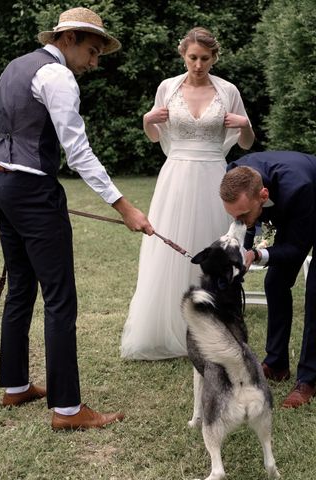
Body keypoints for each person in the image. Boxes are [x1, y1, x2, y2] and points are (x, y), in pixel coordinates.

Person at [0, 7, 154, 430]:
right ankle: (68, 410)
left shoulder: (15, 68)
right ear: (67, 39)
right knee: (59, 298)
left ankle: (15, 386)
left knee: (20, 288)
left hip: (1, 188)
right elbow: (79, 151)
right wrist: (123, 205)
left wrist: (7, 171)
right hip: (32, 193)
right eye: (91, 51)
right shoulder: (58, 77)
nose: (94, 63)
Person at [120, 27, 255, 360]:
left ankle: (213, 329)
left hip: (213, 175)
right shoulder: (168, 87)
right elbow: (155, 136)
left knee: (212, 249)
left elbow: (246, 142)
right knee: (168, 253)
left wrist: (245, 124)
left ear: (214, 57)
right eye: (193, 57)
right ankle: (165, 328)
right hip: (176, 175)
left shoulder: (228, 90)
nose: (198, 64)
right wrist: (147, 119)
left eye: (205, 58)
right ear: (184, 55)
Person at [220, 151, 316, 408]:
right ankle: (277, 363)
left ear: (263, 196)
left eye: (243, 214)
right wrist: (242, 251)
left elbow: (295, 249)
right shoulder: (237, 176)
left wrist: (255, 254)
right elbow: (247, 222)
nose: (239, 220)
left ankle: (307, 381)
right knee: (275, 282)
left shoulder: (296, 188)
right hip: (296, 207)